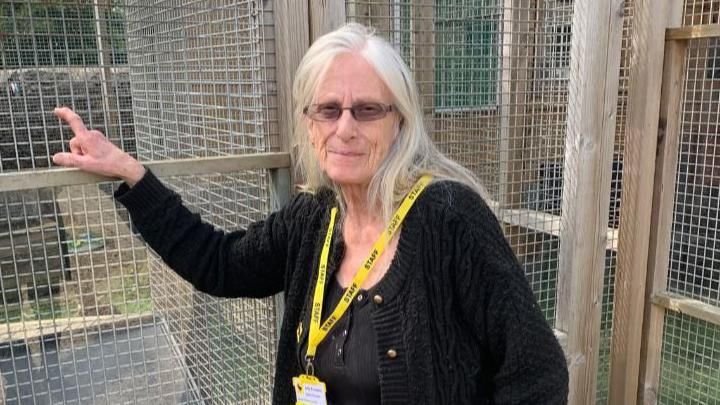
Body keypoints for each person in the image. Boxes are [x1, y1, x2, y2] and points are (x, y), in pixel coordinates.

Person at [52, 23, 568, 405]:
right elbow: (221, 263)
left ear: (399, 123)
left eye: (367, 109)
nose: (344, 127)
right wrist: (132, 177)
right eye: (328, 109)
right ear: (310, 121)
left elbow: (538, 373)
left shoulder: (449, 218)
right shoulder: (315, 216)